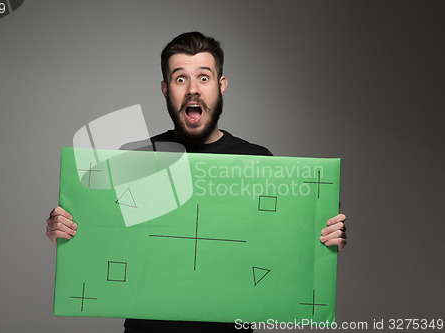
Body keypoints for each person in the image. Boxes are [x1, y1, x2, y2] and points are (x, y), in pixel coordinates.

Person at [46, 32, 348, 333]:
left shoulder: (259, 162)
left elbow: (283, 247)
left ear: (221, 85)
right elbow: (108, 240)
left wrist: (323, 238)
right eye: (180, 79)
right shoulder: (135, 159)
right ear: (165, 90)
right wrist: (69, 228)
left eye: (204, 78)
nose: (193, 90)